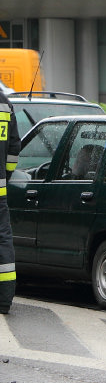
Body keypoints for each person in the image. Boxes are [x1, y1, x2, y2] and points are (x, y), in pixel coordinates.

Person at [0, 91, 21, 314]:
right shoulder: (5, 104)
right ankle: (4, 299)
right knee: (3, 240)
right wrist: (5, 176)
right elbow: (14, 147)